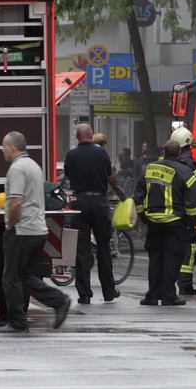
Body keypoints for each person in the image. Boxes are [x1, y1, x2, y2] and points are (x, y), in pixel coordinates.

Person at [0, 131, 71, 333]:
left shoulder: (17, 168)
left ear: (12, 147)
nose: (2, 150)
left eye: (4, 146)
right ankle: (59, 301)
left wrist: (10, 226)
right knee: (25, 276)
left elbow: (16, 202)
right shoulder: (33, 166)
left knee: (11, 278)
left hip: (22, 231)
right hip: (38, 230)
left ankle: (18, 322)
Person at [135, 139, 196, 307]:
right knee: (172, 259)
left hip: (154, 222)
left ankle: (152, 296)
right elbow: (192, 202)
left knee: (155, 259)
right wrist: (191, 223)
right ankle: (169, 296)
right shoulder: (185, 172)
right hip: (175, 224)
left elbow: (138, 195)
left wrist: (144, 217)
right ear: (179, 153)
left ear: (164, 152)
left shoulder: (150, 169)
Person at [64, 125, 123, 304]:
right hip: (100, 203)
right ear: (91, 136)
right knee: (104, 247)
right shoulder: (102, 154)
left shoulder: (71, 156)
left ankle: (84, 294)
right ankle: (108, 291)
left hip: (79, 203)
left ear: (77, 137)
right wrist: (123, 197)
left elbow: (68, 175)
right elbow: (109, 176)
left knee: (81, 250)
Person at [170, 127, 196, 296]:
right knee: (189, 248)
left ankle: (166, 285)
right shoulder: (189, 164)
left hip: (168, 212)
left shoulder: (164, 162)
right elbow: (195, 189)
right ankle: (185, 284)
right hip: (184, 213)